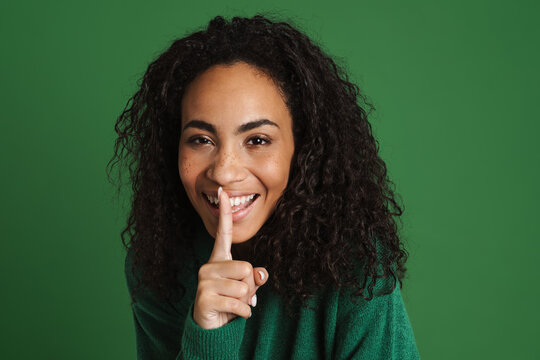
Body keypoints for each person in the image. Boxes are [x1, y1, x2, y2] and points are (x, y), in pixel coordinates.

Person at [107, 14, 420, 359]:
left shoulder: (356, 267)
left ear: (302, 149)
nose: (224, 172)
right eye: (200, 139)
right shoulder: (159, 263)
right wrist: (209, 336)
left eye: (256, 139)